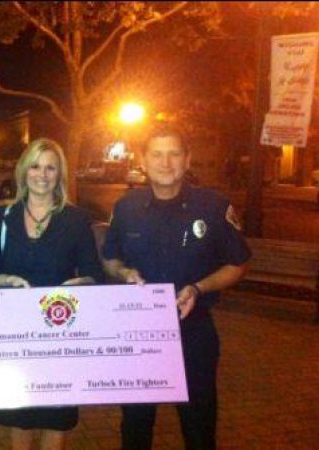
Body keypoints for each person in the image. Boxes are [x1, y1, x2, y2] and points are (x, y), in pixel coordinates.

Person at [102, 124, 251, 450]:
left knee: (198, 427)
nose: (165, 162)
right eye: (157, 154)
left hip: (193, 332)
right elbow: (109, 259)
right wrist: (124, 272)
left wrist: (198, 288)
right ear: (144, 159)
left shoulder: (212, 207)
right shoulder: (126, 208)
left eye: (174, 154)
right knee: (135, 428)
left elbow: (237, 264)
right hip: (138, 333)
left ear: (187, 160)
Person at [0, 138, 105, 450]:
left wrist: (83, 284)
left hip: (60, 335)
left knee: (56, 421)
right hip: (15, 337)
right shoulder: (3, 219)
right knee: (19, 419)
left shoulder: (75, 220)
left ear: (60, 174)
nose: (42, 174)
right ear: (24, 170)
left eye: (51, 167)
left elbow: (94, 273)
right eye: (36, 165)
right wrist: (4, 278)